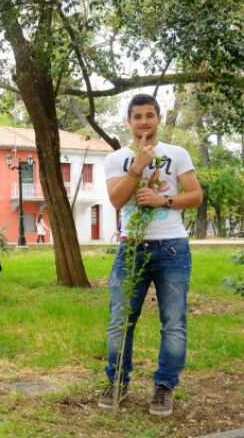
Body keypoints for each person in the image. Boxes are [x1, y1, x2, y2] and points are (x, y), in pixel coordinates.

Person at [98, 94, 202, 416]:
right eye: (138, 116)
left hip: (172, 247)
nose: (144, 122)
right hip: (131, 248)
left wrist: (164, 201)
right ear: (129, 121)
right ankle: (117, 381)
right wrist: (138, 168)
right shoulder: (116, 159)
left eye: (149, 115)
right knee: (120, 320)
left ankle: (164, 386)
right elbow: (116, 201)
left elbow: (196, 195)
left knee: (173, 322)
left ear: (158, 119)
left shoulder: (177, 153)